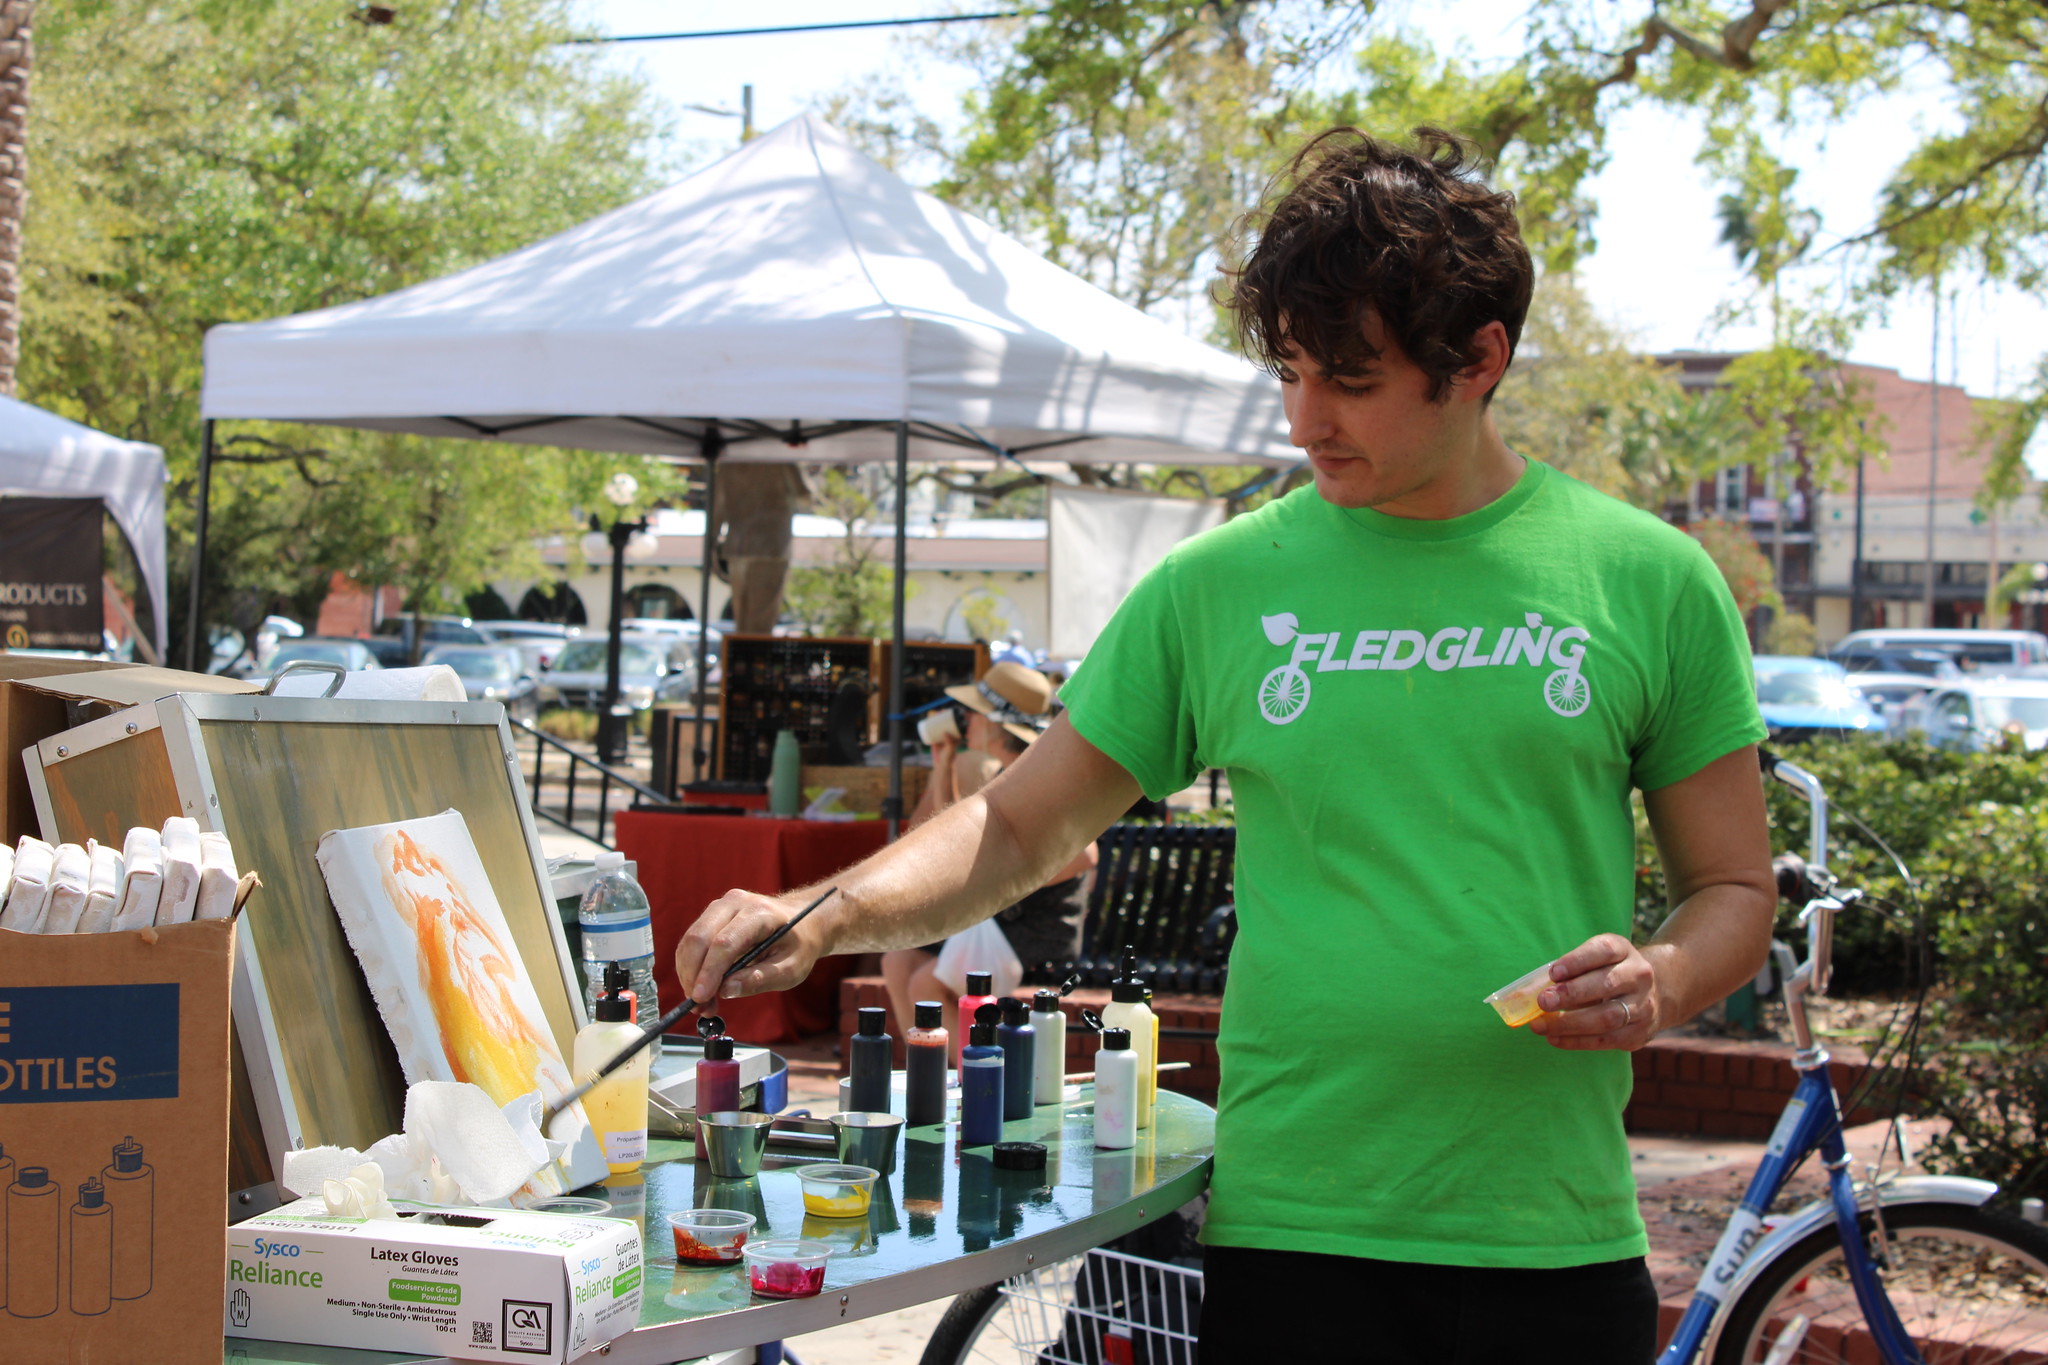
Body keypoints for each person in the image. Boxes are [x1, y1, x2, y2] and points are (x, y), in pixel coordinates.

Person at [676, 126, 1774, 1364]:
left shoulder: (1648, 582)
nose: (1306, 420)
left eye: (1349, 381)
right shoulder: (1216, 585)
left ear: (1478, 359)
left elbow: (1731, 890)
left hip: (1551, 1247)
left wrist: (1662, 983)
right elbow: (1022, 822)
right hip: (1291, 1239)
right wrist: (824, 910)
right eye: (1291, 372)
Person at [881, 662, 1097, 1041]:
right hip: (997, 927)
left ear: (995, 724)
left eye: (974, 712)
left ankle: (979, 1085)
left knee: (925, 988)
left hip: (1036, 934)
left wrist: (1005, 883)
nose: (966, 720)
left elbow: (1086, 855)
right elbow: (946, 845)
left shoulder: (1044, 778)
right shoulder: (1007, 776)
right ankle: (936, 1079)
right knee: (899, 963)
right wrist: (943, 767)